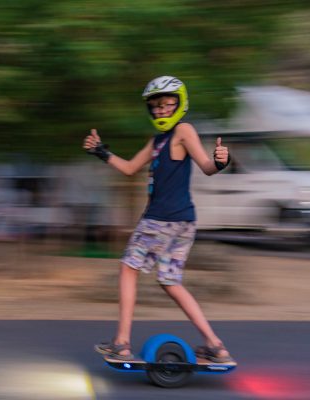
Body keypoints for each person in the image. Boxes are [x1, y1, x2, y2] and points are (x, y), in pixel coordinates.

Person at [82, 76, 233, 363]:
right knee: (170, 281)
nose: (162, 110)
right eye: (156, 106)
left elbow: (206, 166)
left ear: (180, 103)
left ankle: (121, 343)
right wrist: (101, 152)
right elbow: (129, 168)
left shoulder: (183, 130)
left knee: (128, 268)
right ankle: (216, 345)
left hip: (162, 220)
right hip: (183, 221)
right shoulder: (157, 141)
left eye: (167, 104)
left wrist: (221, 162)